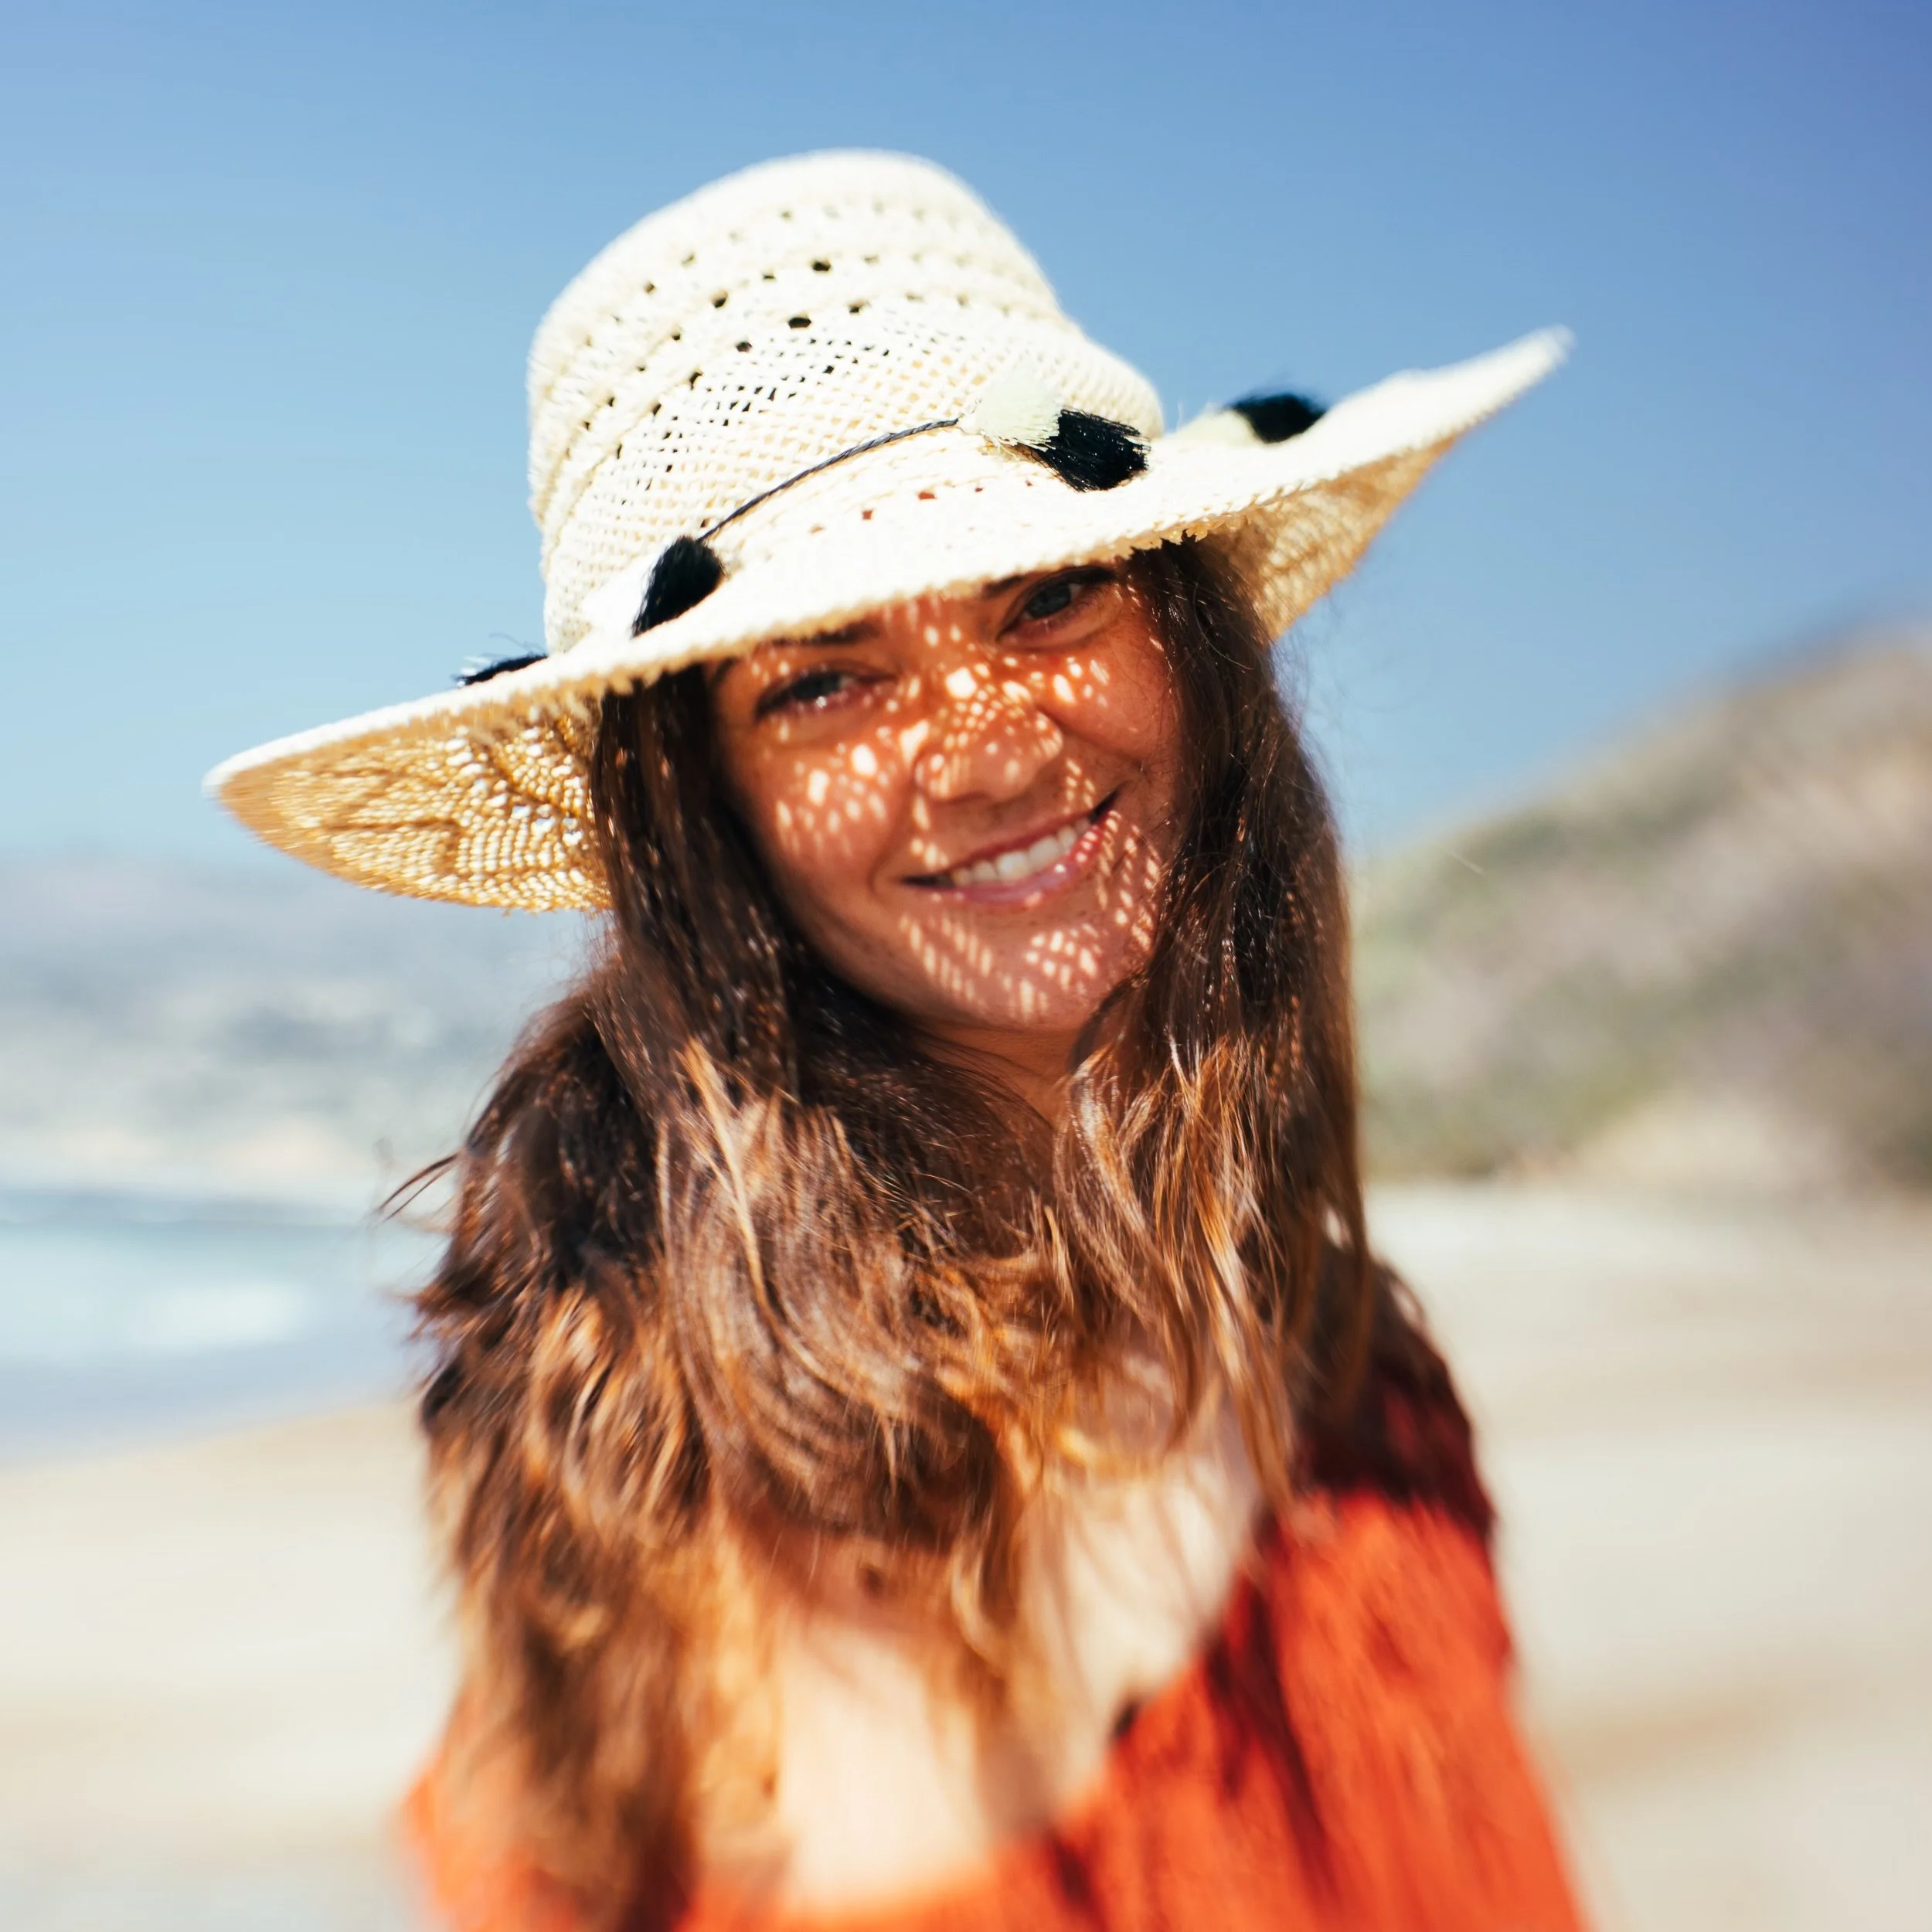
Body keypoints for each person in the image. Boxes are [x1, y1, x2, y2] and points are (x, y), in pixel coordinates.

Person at [210, 151, 1580, 1932]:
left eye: (1042, 597)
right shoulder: (665, 1471)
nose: (988, 748)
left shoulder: (1345, 1374)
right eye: (822, 679)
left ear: (1185, 636)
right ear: (706, 813)